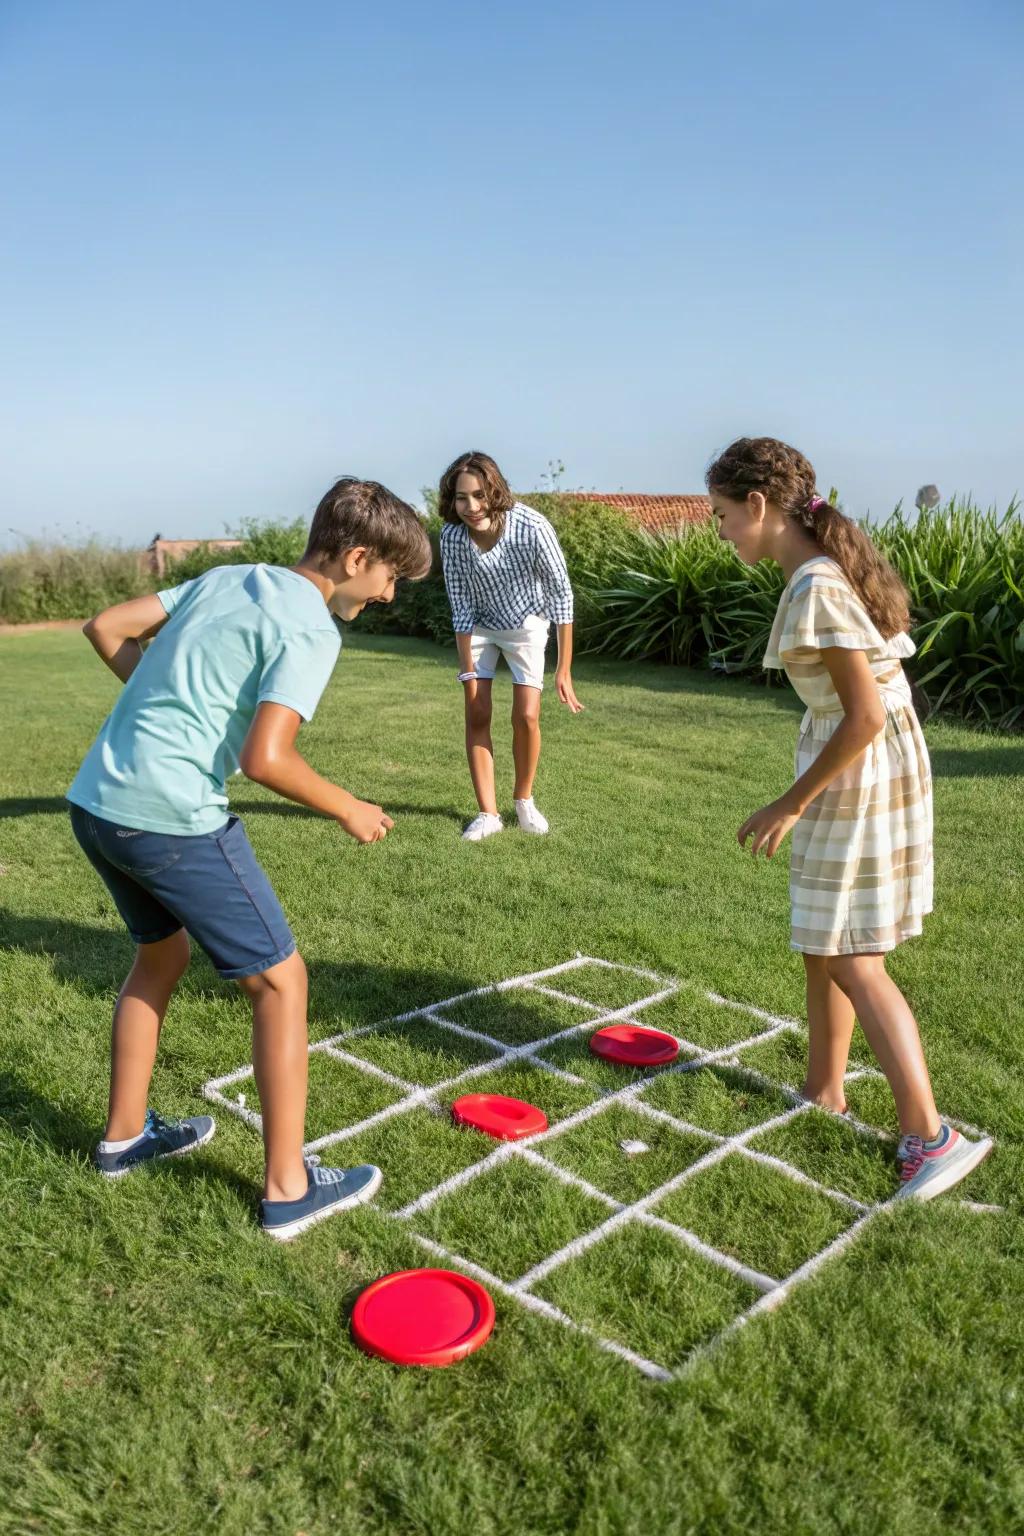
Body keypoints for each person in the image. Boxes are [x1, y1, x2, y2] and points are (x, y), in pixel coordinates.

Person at [66, 477, 431, 1239]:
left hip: (99, 802)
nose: (392, 595)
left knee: (158, 960)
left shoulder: (229, 577)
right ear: (356, 557)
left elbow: (106, 626)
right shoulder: (311, 628)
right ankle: (288, 1188)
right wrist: (350, 808)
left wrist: (173, 705)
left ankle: (124, 1138)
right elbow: (268, 758)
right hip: (171, 820)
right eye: (390, 576)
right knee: (281, 983)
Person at [706, 436, 991, 1200]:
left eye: (724, 514)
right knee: (824, 939)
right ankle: (825, 1088)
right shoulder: (819, 573)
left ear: (760, 506)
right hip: (865, 754)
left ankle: (931, 1138)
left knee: (855, 954)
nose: (721, 528)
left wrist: (790, 803)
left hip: (863, 760)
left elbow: (862, 715)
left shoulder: (816, 587)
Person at [437, 450, 583, 842]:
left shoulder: (532, 526)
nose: (471, 506)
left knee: (527, 716)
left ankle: (523, 801)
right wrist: (468, 671)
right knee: (477, 712)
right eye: (461, 497)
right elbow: (460, 602)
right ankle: (488, 814)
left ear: (495, 490)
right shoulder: (452, 537)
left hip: (528, 625)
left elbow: (562, 595)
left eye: (479, 495)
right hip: (480, 628)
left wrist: (563, 669)